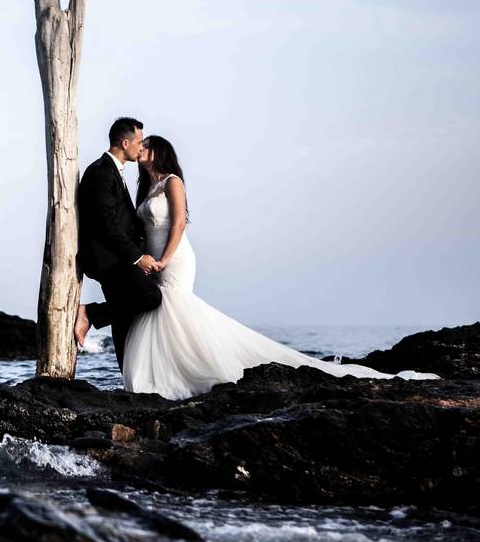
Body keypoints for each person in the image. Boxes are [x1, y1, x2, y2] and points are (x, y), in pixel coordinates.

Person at [121, 135, 439, 400]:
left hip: (174, 258)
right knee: (164, 313)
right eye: (140, 145)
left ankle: (183, 373)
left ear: (159, 152)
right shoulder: (147, 188)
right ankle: (168, 371)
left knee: (174, 309)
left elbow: (178, 225)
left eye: (147, 145)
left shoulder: (172, 182)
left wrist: (164, 259)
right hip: (152, 260)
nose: (141, 149)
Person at [73, 117, 162, 371]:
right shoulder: (101, 172)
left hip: (115, 258)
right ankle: (89, 313)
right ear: (125, 143)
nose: (141, 147)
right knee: (150, 296)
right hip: (108, 260)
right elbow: (106, 224)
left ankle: (129, 378)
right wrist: (137, 257)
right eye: (138, 142)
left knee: (123, 318)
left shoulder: (114, 171)